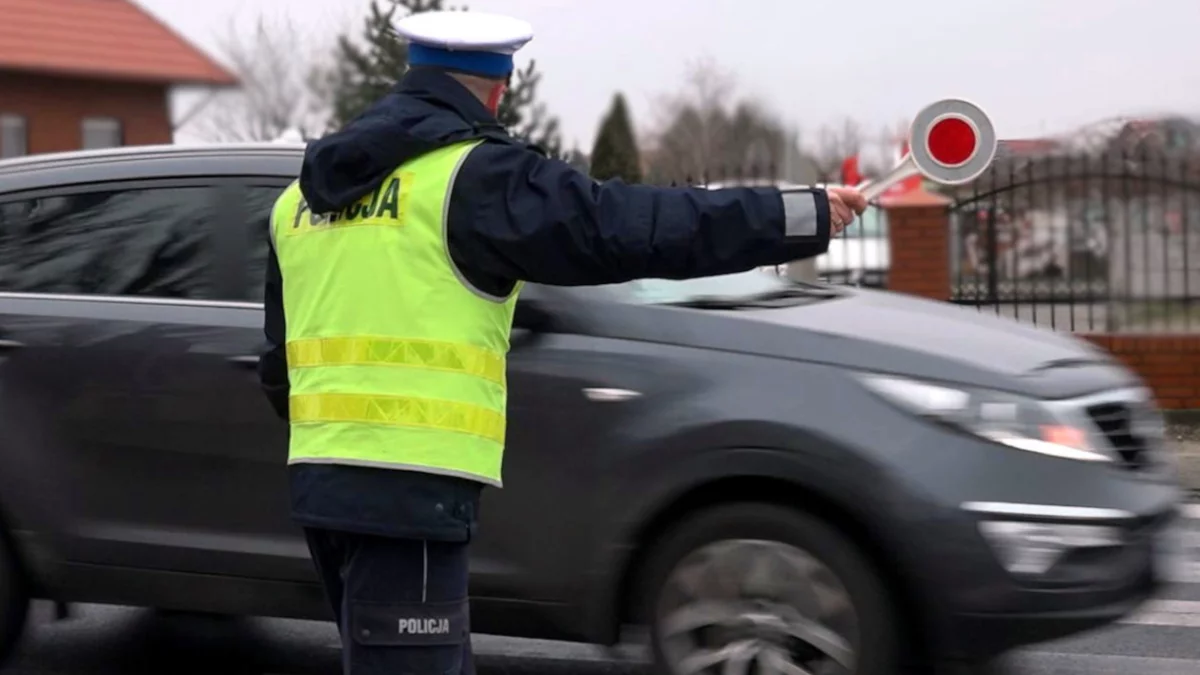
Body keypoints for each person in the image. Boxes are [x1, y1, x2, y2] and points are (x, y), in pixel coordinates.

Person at [257, 10, 866, 675]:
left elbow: (277, 365)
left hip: (321, 484)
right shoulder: (476, 179)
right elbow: (632, 226)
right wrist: (793, 214)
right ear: (500, 84)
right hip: (411, 490)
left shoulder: (303, 198)